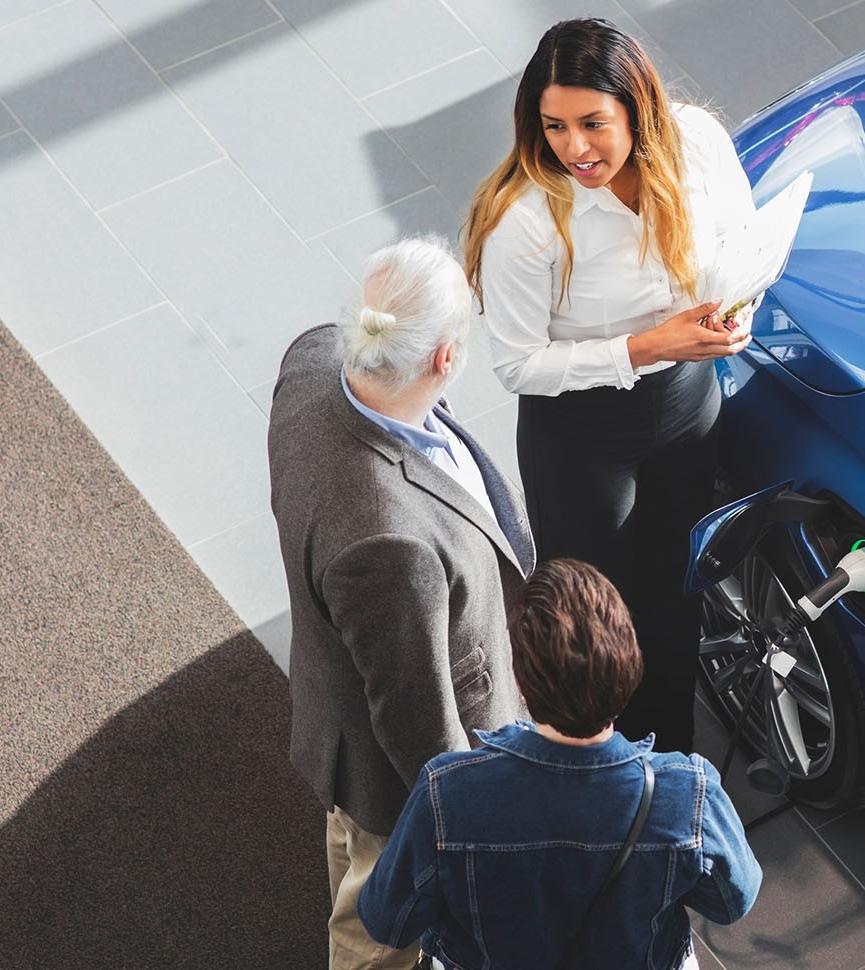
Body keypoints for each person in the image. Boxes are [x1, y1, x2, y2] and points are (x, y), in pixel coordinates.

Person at [464, 17, 757, 753]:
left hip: (687, 403)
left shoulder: (696, 146)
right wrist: (648, 344)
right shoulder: (527, 222)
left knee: (675, 599)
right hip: (581, 437)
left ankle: (677, 761)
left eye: (593, 123)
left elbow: (742, 239)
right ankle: (604, 766)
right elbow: (518, 365)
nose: (575, 148)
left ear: (638, 109)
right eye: (554, 126)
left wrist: (739, 307)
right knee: (596, 623)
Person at [268, 236, 536, 970]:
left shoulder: (312, 362)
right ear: (445, 359)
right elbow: (414, 713)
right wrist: (468, 820)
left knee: (349, 842)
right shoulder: (390, 542)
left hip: (337, 700)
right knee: (378, 925)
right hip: (393, 771)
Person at [358, 558, 762, 970]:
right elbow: (733, 903)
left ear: (520, 681)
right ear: (629, 664)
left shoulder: (446, 794)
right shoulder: (689, 794)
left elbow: (385, 921)